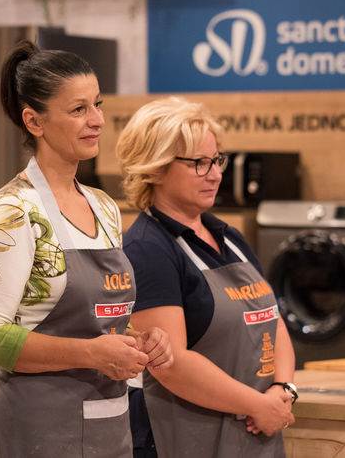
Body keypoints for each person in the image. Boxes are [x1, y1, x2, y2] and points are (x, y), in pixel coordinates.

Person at [0, 40, 174, 458]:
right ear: (34, 121)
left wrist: (140, 341)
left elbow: (95, 325)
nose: (97, 120)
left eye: (97, 105)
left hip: (107, 426)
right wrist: (91, 354)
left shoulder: (104, 207)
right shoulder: (14, 210)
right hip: (34, 430)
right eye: (78, 110)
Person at [114, 97, 296, 457]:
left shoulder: (230, 238)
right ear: (156, 168)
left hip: (255, 432)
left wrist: (283, 388)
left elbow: (273, 322)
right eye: (198, 163)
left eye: (217, 160)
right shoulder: (148, 249)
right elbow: (172, 365)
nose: (215, 174)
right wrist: (257, 405)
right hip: (185, 439)